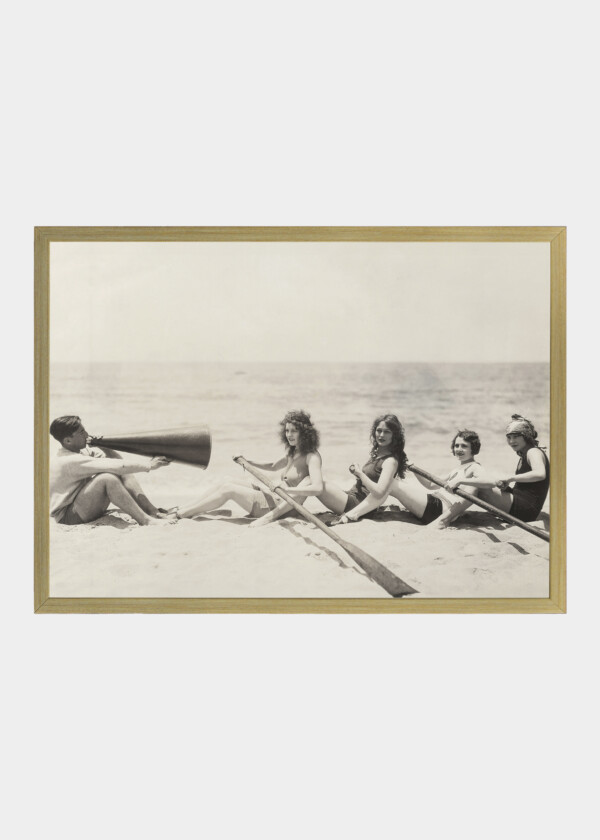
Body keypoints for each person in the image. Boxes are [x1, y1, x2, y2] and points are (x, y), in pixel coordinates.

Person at [175, 410, 324, 527]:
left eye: (294, 431)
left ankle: (181, 514)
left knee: (228, 489)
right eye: (287, 431)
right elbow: (273, 466)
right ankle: (183, 508)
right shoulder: (294, 451)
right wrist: (246, 461)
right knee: (227, 480)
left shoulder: (312, 457)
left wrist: (287, 490)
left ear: (304, 433)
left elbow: (317, 488)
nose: (289, 435)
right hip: (272, 496)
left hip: (281, 508)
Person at [49, 415, 175, 526]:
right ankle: (146, 520)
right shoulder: (69, 460)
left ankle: (152, 511)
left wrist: (103, 445)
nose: (87, 434)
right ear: (68, 440)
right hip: (68, 517)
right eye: (82, 432)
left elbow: (116, 462)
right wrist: (149, 465)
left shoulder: (79, 453)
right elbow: (117, 465)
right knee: (107, 479)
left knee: (121, 472)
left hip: (80, 507)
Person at [444, 414, 549, 523]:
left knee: (477, 485)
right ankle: (450, 512)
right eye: (509, 437)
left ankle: (443, 520)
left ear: (526, 436)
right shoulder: (525, 453)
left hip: (526, 510)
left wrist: (510, 479)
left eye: (516, 436)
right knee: (482, 482)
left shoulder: (533, 451)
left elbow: (540, 474)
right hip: (522, 505)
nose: (512, 441)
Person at [316, 414, 408, 525]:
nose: (381, 435)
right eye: (379, 430)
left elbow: (379, 493)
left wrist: (360, 473)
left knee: (313, 482)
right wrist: (359, 473)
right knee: (314, 481)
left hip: (358, 505)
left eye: (387, 432)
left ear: (394, 435)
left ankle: (290, 509)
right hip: (352, 497)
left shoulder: (390, 461)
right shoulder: (378, 454)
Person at [387, 429, 485, 528]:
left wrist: (460, 481)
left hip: (439, 509)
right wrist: (412, 468)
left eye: (464, 446)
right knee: (389, 481)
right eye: (456, 445)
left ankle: (371, 509)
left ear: (474, 448)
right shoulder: (458, 469)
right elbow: (430, 485)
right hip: (434, 504)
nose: (459, 449)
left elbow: (487, 481)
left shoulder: (474, 467)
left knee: (389, 483)